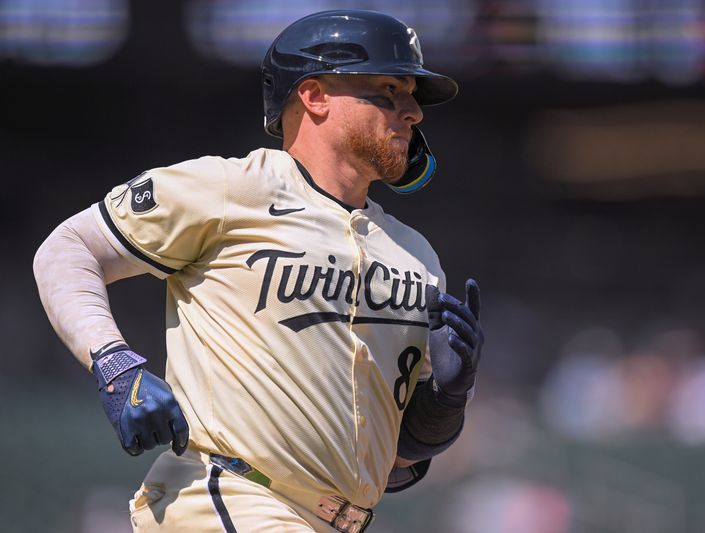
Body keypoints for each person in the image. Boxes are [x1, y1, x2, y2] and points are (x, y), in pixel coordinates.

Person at [33, 9, 484, 533]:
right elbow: (67, 249)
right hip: (230, 496)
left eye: (412, 95)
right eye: (388, 89)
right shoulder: (231, 189)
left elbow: (398, 463)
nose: (413, 112)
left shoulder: (418, 258)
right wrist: (115, 363)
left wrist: (444, 404)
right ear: (314, 96)